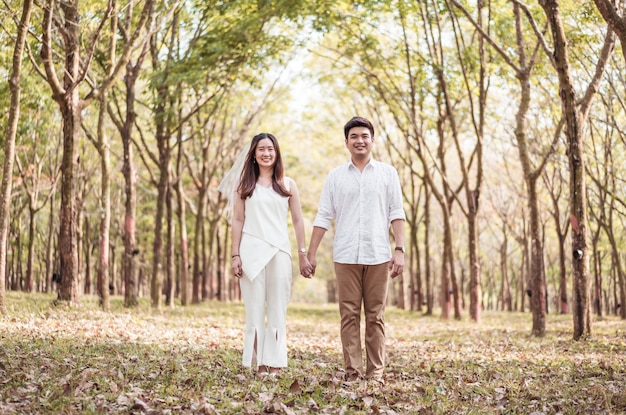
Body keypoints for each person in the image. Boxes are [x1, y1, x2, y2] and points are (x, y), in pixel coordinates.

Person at [307, 116, 406, 385]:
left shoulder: (388, 174)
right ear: (346, 142)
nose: (359, 140)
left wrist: (399, 249)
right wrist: (310, 253)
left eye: (365, 136)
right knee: (349, 315)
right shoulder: (335, 176)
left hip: (378, 255)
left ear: (373, 140)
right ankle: (352, 372)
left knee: (376, 316)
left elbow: (396, 212)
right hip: (346, 254)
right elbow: (324, 215)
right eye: (354, 137)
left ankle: (376, 374)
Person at [229, 132, 312, 376]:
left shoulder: (288, 184)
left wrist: (302, 253)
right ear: (254, 154)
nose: (266, 153)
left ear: (276, 153)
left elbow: (297, 220)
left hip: (280, 252)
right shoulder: (244, 185)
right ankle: (259, 364)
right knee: (254, 310)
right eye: (261, 149)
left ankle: (275, 363)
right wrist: (235, 255)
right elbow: (237, 219)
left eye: (271, 149)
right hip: (251, 251)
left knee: (277, 308)